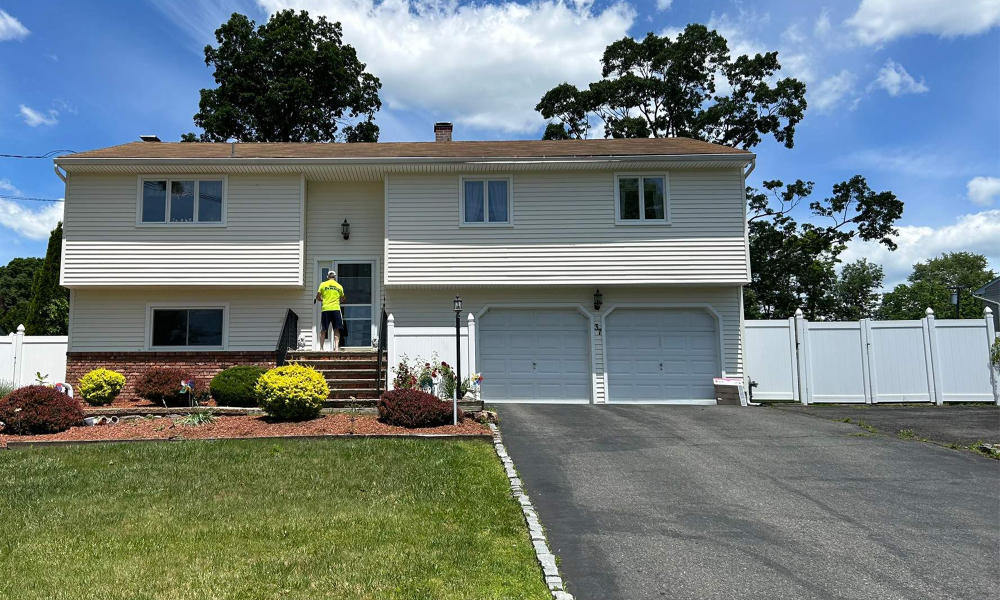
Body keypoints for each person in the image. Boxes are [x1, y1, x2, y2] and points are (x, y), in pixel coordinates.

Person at [315, 271, 346, 351]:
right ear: (335, 277)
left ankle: (321, 348)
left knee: (323, 329)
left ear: (327, 277)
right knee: (336, 329)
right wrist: (337, 301)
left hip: (326, 309)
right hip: (336, 309)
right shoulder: (339, 286)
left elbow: (317, 297)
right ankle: (336, 348)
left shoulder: (323, 284)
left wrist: (322, 299)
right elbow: (343, 298)